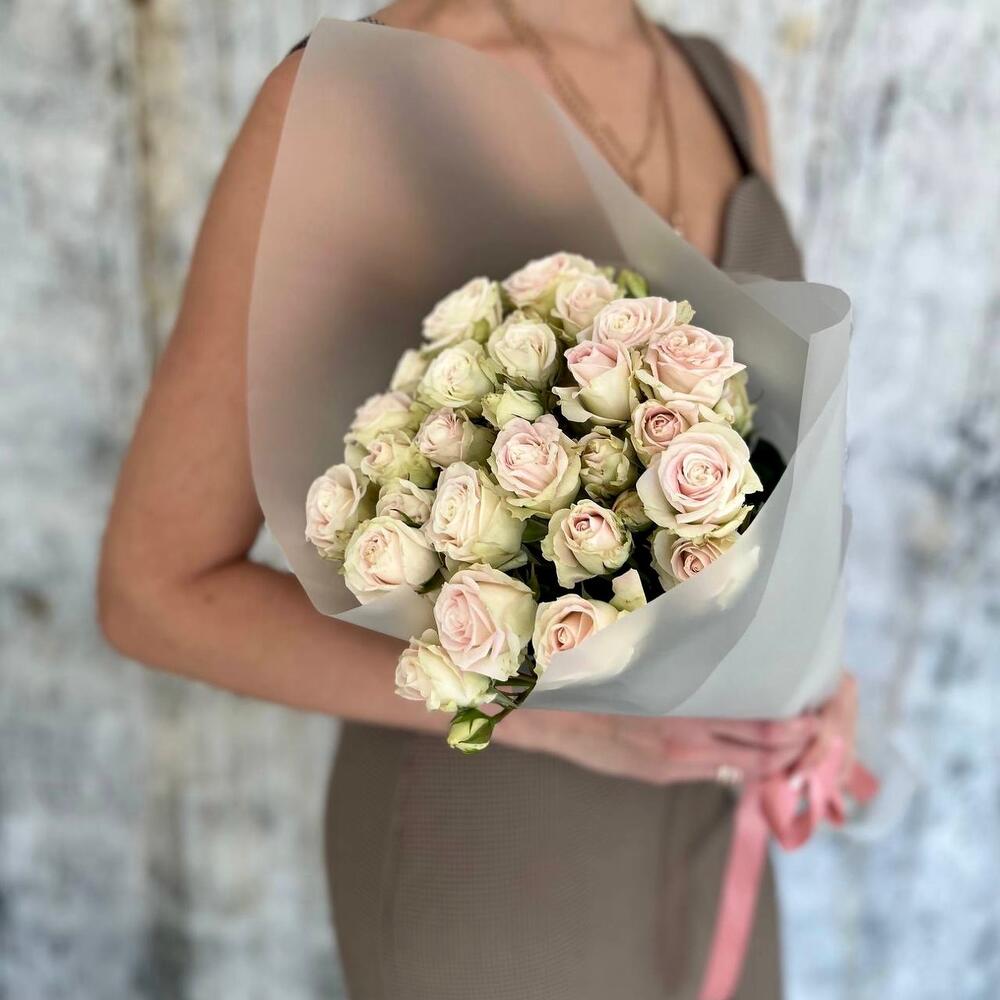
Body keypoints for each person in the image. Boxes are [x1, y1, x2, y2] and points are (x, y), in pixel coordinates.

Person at [99, 2, 858, 997]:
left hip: (719, 832)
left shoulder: (726, 93)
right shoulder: (346, 96)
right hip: (489, 849)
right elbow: (154, 592)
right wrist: (555, 716)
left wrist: (810, 677)